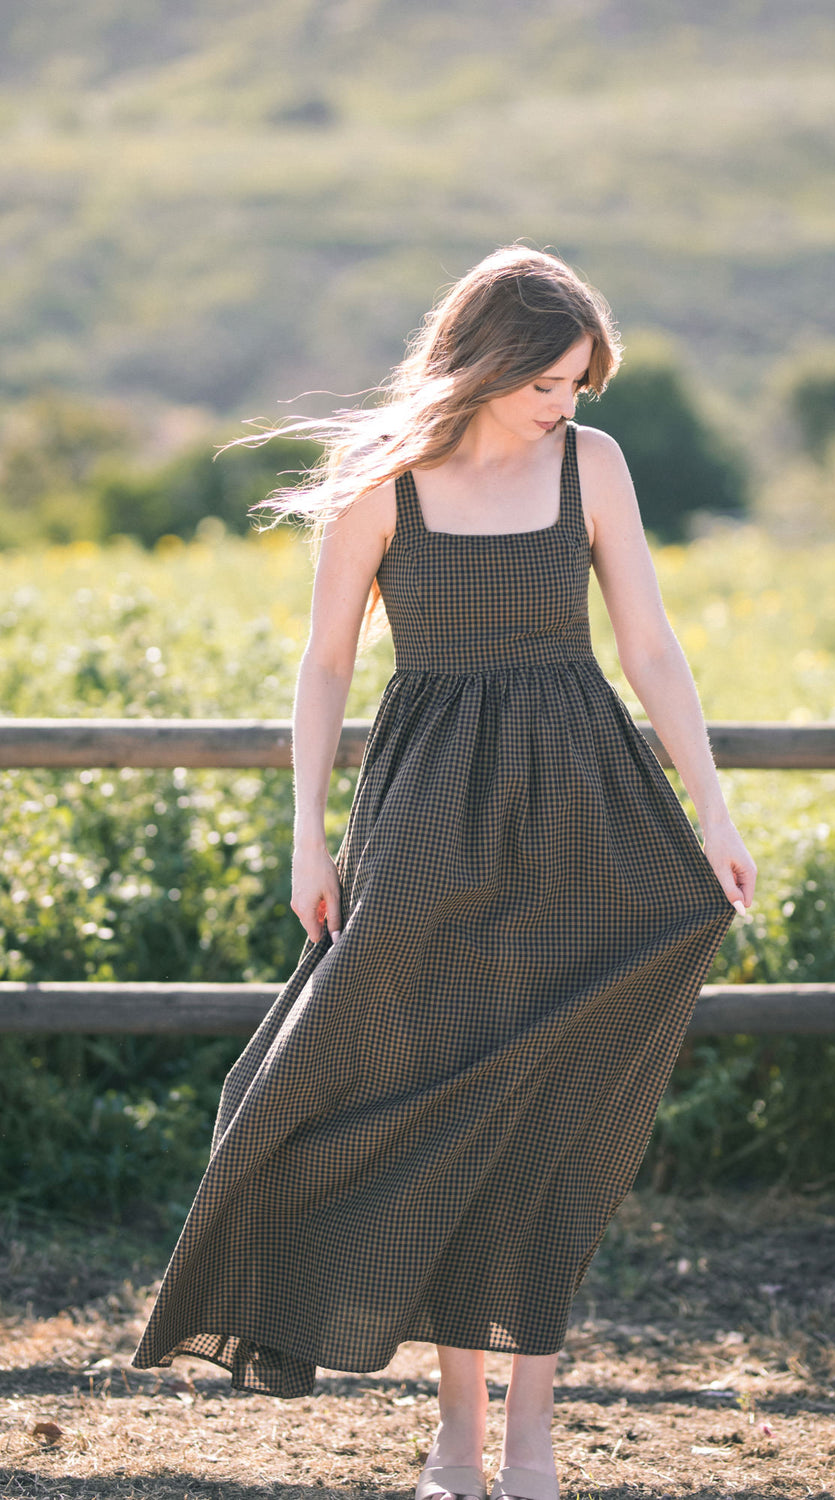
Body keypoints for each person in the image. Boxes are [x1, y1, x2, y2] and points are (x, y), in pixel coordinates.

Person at [132, 245, 756, 1500]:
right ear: (489, 361)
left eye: (579, 384)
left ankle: (527, 1439)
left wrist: (714, 808)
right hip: (425, 820)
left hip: (583, 801)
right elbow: (321, 670)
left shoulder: (594, 466)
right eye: (548, 383)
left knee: (555, 1114)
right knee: (432, 1096)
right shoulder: (385, 488)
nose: (565, 405)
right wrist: (308, 836)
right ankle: (455, 1439)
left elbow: (647, 641)